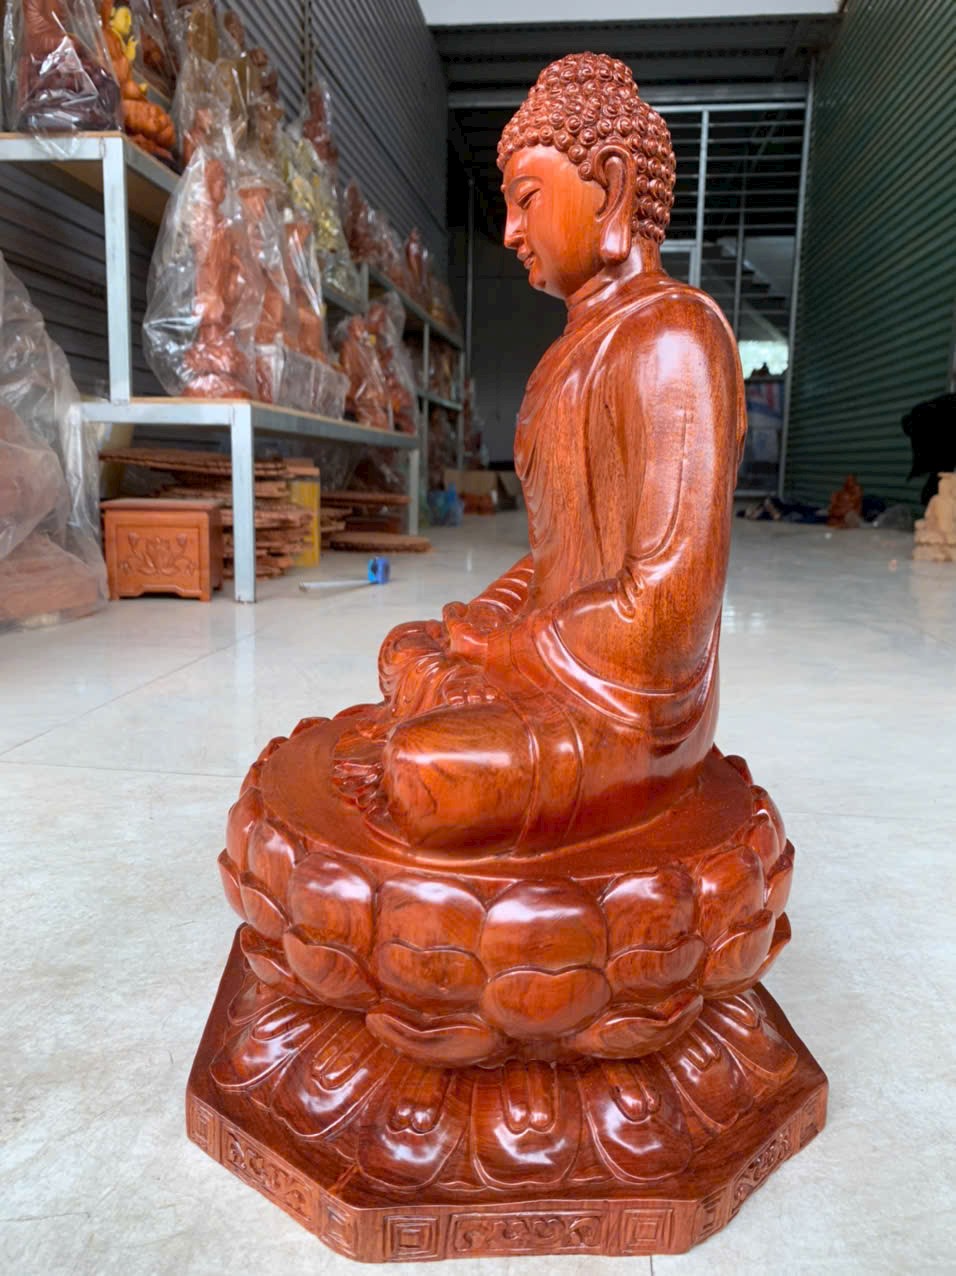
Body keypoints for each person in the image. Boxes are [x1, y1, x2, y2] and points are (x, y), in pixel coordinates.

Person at [333, 53, 746, 853]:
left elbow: (668, 617)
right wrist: (487, 618)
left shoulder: (675, 338)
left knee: (427, 769)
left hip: (631, 708)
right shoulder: (565, 357)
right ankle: (449, 723)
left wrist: (504, 650)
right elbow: (558, 559)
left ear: (613, 187)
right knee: (405, 651)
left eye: (526, 200)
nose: (511, 233)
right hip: (555, 662)